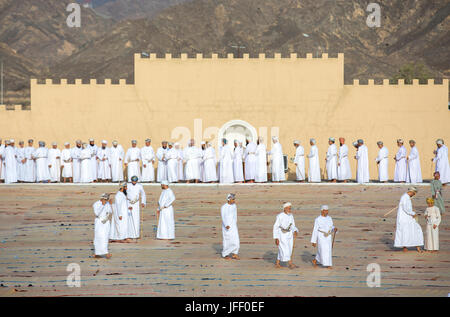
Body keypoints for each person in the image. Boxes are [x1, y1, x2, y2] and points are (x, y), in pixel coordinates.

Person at [393, 187, 424, 252]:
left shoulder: (405, 197)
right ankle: (408, 247)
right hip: (405, 218)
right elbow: (406, 208)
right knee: (414, 230)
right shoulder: (405, 197)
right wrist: (413, 213)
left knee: (409, 231)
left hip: (407, 217)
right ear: (412, 192)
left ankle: (411, 246)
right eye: (414, 193)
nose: (414, 195)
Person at [273, 202, 298, 269]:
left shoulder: (291, 215)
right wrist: (276, 238)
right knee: (284, 249)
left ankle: (277, 263)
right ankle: (290, 263)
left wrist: (295, 230)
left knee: (288, 248)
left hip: (289, 234)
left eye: (290, 208)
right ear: (285, 208)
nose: (290, 209)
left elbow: (292, 225)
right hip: (282, 234)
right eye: (288, 208)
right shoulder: (280, 216)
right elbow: (276, 227)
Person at [92, 193, 113, 259]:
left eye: (107, 199)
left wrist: (110, 204)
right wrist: (102, 205)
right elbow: (97, 213)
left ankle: (105, 252)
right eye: (105, 199)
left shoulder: (107, 203)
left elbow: (111, 211)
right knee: (99, 237)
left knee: (105, 237)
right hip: (99, 222)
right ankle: (97, 253)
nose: (106, 200)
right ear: (101, 198)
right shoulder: (96, 204)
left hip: (106, 222)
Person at [126, 176, 146, 241]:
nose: (134, 182)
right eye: (133, 181)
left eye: (135, 181)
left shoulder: (140, 186)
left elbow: (143, 194)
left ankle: (136, 234)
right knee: (129, 217)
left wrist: (143, 202)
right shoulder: (128, 185)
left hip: (136, 204)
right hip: (129, 202)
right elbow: (124, 193)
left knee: (136, 218)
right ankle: (128, 234)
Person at [221, 193, 240, 260]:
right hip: (227, 227)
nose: (234, 200)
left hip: (234, 225)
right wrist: (226, 225)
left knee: (236, 240)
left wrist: (235, 223)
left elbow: (235, 215)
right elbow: (223, 216)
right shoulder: (224, 207)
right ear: (229, 199)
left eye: (234, 199)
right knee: (227, 240)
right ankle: (225, 254)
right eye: (233, 199)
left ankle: (235, 253)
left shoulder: (234, 206)